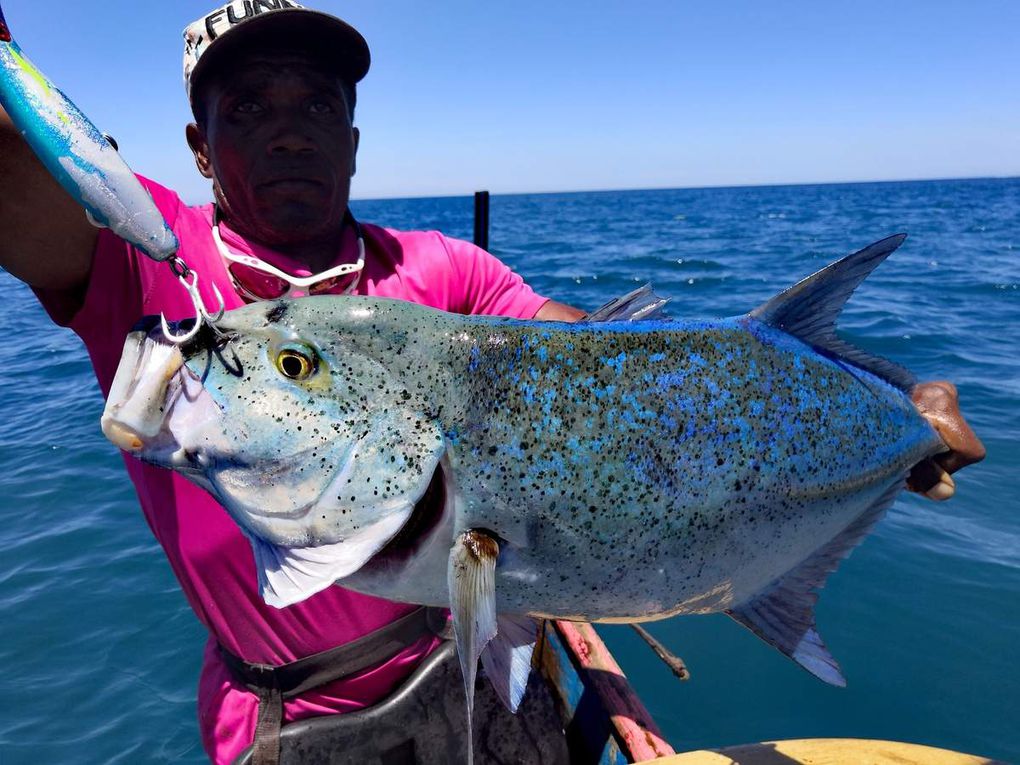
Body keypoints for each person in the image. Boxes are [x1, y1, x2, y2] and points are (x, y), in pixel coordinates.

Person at [0, 2, 985, 763]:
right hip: (288, 708)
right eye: (249, 108)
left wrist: (885, 413)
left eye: (318, 106)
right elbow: (20, 189)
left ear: (353, 136)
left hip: (473, 649)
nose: (289, 130)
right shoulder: (146, 261)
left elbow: (606, 372)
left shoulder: (440, 274)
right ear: (199, 148)